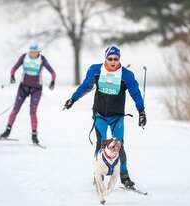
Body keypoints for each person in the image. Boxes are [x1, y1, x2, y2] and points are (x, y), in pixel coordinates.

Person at [63, 45, 147, 189]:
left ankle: (124, 176)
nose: (113, 62)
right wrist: (72, 99)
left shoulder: (126, 75)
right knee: (100, 144)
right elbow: (85, 87)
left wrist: (141, 111)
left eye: (116, 59)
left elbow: (135, 93)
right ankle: (99, 174)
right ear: (105, 59)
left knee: (119, 145)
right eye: (110, 59)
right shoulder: (96, 70)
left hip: (117, 117)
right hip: (100, 115)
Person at [0, 42, 56, 144]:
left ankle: (34, 136)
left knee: (32, 112)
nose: (34, 54)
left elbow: (52, 72)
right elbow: (14, 68)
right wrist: (12, 76)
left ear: (39, 51)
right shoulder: (24, 57)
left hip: (36, 89)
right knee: (15, 109)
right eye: (32, 52)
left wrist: (52, 81)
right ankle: (7, 131)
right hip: (23, 88)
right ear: (29, 51)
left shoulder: (42, 59)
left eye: (36, 52)